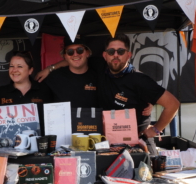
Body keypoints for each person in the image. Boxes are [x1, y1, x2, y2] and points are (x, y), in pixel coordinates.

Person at [35, 34, 179, 155]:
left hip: (137, 144)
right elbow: (75, 60)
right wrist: (50, 69)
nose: (115, 55)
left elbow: (172, 104)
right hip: (109, 143)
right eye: (111, 52)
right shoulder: (100, 66)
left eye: (120, 51)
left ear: (129, 54)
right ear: (105, 55)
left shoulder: (140, 80)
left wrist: (155, 129)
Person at [0, 51, 54, 136]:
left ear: (30, 70)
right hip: (8, 146)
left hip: (38, 145)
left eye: (19, 66)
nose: (14, 70)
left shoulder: (44, 90)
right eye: (11, 66)